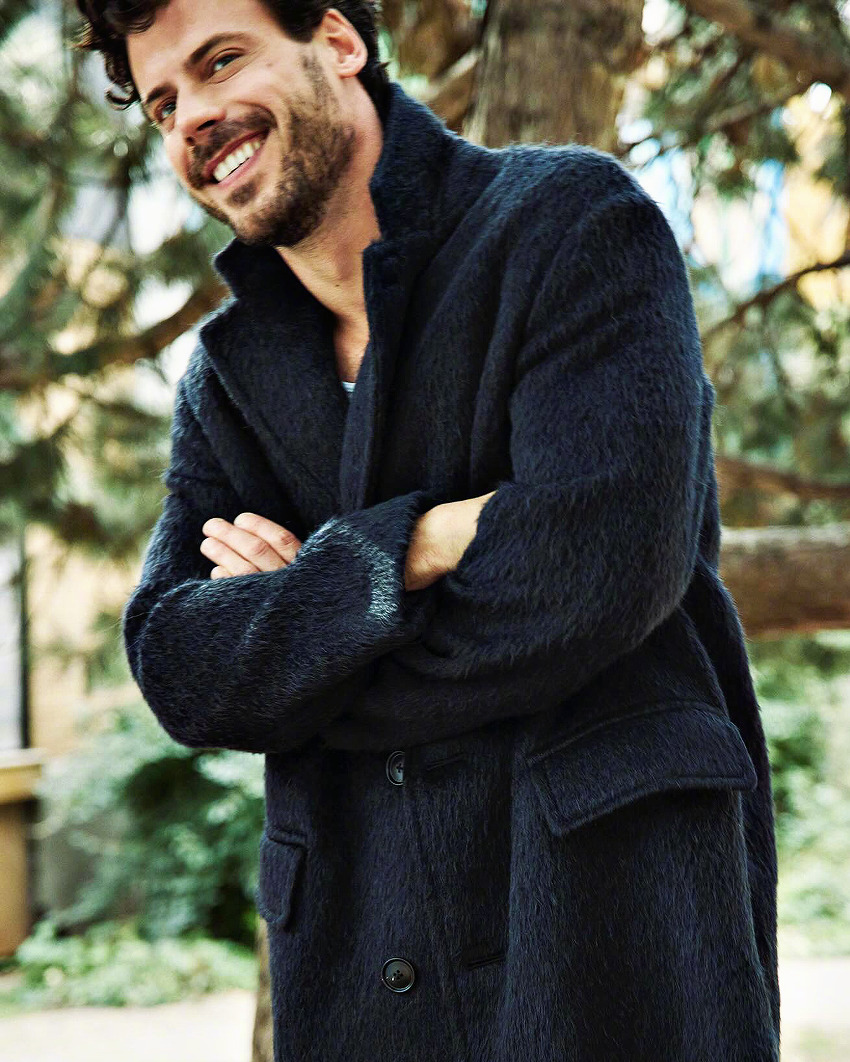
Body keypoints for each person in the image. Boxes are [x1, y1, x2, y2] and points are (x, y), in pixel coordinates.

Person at [75, 1, 781, 1058]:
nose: (194, 120)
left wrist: (306, 649)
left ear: (339, 42)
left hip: (610, 937)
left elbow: (597, 571)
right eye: (164, 103)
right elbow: (181, 667)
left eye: (221, 62)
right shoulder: (222, 381)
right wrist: (405, 551)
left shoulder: (572, 225)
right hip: (362, 968)